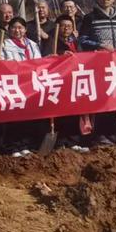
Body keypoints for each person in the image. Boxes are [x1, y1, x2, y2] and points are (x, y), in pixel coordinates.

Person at [78, 0, 116, 147]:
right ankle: (99, 134)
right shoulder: (90, 17)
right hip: (98, 64)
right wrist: (99, 45)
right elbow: (82, 39)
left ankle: (112, 133)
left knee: (114, 98)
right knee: (101, 98)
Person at [0, 17, 43, 156]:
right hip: (14, 85)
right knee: (14, 117)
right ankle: (13, 147)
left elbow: (39, 63)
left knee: (28, 116)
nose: (17, 30)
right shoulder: (4, 44)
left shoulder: (33, 45)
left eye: (20, 28)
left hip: (30, 85)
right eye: (14, 28)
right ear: (9, 29)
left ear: (25, 29)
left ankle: (25, 144)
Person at [47, 15, 90, 151]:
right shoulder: (51, 41)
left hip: (75, 80)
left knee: (74, 111)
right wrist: (59, 55)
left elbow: (83, 56)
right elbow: (45, 58)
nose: (66, 29)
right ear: (57, 27)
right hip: (59, 81)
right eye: (63, 26)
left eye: (69, 26)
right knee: (60, 112)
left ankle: (74, 140)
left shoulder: (75, 41)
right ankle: (61, 142)